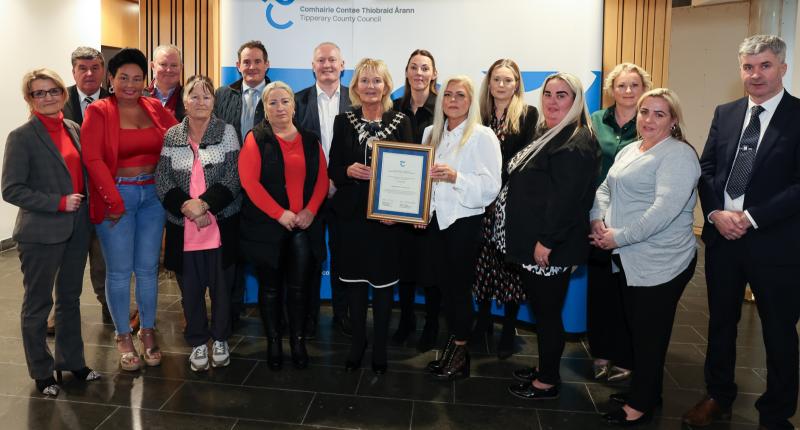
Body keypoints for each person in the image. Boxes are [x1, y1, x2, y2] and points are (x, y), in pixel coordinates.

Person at [685, 34, 800, 430]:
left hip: (776, 244)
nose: (756, 74)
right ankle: (718, 396)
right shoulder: (727, 112)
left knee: (779, 331)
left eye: (765, 65)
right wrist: (715, 213)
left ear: (783, 68)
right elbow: (707, 169)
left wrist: (750, 217)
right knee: (720, 324)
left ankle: (775, 413)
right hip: (723, 239)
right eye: (748, 67)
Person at [590, 88, 700, 426]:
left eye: (659, 114)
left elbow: (663, 211)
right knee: (638, 331)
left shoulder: (679, 155)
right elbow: (605, 188)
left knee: (650, 336)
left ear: (673, 121)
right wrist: (598, 219)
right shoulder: (630, 149)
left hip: (661, 261)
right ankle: (648, 392)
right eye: (644, 112)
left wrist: (617, 237)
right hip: (628, 256)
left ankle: (639, 406)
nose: (649, 120)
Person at [2, 68, 100, 396]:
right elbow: (11, 189)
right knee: (38, 304)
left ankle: (72, 361)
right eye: (39, 93)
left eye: (53, 91)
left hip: (77, 227)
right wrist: (58, 202)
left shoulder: (72, 127)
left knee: (70, 298)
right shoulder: (21, 137)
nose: (47, 98)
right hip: (40, 232)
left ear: (63, 93)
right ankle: (42, 373)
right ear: (29, 99)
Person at [504, 72, 600, 399]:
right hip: (538, 243)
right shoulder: (550, 132)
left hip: (550, 247)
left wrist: (546, 240)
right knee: (543, 311)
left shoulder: (577, 141)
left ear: (576, 101)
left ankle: (547, 381)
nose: (553, 101)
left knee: (547, 315)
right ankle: (545, 367)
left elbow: (567, 201)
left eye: (562, 95)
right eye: (548, 93)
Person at [82, 48, 178, 371]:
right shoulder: (99, 111)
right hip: (116, 196)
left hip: (152, 196)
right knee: (120, 272)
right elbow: (93, 159)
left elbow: (179, 136)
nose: (131, 84)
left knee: (148, 269)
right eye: (124, 78)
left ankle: (147, 331)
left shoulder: (153, 107)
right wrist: (113, 200)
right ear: (111, 79)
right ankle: (123, 335)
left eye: (137, 78)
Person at [328, 58, 413, 374]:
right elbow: (333, 168)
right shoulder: (343, 121)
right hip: (351, 216)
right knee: (355, 284)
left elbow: (411, 170)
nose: (370, 86)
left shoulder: (401, 121)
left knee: (383, 285)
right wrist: (347, 171)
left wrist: (399, 213)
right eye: (364, 80)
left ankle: (379, 347)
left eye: (377, 80)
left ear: (387, 85)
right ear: (355, 87)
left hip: (386, 218)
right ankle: (357, 343)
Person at [239, 81, 328, 371]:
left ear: (294, 106)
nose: (280, 107)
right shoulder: (256, 138)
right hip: (268, 228)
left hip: (304, 226)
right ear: (265, 109)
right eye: (273, 103)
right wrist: (280, 214)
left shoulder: (310, 139)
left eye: (285, 101)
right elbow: (250, 183)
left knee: (299, 290)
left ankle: (298, 342)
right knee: (270, 289)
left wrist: (310, 211)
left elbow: (322, 180)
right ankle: (274, 343)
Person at [155, 75, 241, 372]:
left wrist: (204, 205)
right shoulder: (172, 135)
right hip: (183, 226)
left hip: (220, 223)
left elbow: (233, 176)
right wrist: (189, 208)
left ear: (214, 102)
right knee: (190, 291)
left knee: (222, 289)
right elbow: (162, 179)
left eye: (206, 96)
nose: (200, 101)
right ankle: (197, 342)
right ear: (184, 101)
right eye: (194, 96)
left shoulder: (227, 131)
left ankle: (220, 339)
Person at [421, 75, 503, 379]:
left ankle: (460, 354)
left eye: (460, 95)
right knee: (444, 288)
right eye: (448, 95)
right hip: (434, 222)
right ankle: (452, 349)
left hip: (463, 222)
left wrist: (456, 177)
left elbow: (492, 186)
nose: (453, 101)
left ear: (471, 102)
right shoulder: (431, 133)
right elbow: (420, 180)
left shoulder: (482, 136)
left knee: (459, 289)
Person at [587, 63, 652, 382]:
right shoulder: (595, 120)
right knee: (600, 291)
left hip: (634, 218)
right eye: (621, 85)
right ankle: (601, 353)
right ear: (611, 89)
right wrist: (593, 216)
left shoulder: (651, 120)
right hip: (596, 215)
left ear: (644, 89)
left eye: (634, 85)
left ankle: (626, 357)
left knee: (629, 292)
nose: (628, 91)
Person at [473, 58, 538, 359]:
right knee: (482, 262)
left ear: (516, 84)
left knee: (509, 267)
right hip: (479, 202)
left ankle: (509, 327)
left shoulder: (527, 114)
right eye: (496, 79)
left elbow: (525, 158)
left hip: (510, 201)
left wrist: (496, 184)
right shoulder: (478, 115)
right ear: (489, 83)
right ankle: (483, 318)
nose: (501, 85)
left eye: (508, 80)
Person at [294, 42, 352, 337]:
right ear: (312, 66)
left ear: (342, 65)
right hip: (309, 195)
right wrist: (321, 182)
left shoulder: (357, 100)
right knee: (312, 258)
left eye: (332, 60)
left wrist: (337, 180)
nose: (327, 65)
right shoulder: (297, 101)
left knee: (344, 256)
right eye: (321, 60)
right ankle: (309, 317)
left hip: (347, 192)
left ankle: (343, 314)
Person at [214, 40, 271, 326]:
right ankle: (231, 313)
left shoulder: (278, 94)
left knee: (265, 253)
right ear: (238, 66)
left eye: (257, 61)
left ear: (267, 65)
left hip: (266, 186)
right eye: (246, 62)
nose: (252, 67)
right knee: (231, 254)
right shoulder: (223, 94)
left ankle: (270, 314)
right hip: (229, 186)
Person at [60, 46, 115, 328]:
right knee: (67, 261)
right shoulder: (58, 100)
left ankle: (111, 308)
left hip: (107, 194)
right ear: (74, 72)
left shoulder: (117, 101)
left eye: (95, 68)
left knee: (105, 259)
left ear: (103, 70)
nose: (89, 73)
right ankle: (61, 312)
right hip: (71, 197)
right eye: (83, 68)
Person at [390, 49, 441, 351]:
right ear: (407, 72)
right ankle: (406, 320)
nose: (419, 73)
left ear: (434, 73)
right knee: (404, 265)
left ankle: (432, 325)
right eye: (414, 67)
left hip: (433, 200)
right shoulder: (394, 107)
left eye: (425, 68)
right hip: (400, 198)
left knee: (431, 267)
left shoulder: (444, 108)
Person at [144, 44, 185, 121]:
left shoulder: (190, 98)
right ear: (153, 66)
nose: (169, 70)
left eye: (174, 65)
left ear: (181, 67)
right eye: (163, 64)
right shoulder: (139, 97)